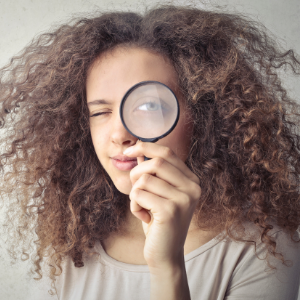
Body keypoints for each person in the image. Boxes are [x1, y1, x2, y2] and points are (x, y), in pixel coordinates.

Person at [0, 3, 300, 300]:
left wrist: (168, 267)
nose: (119, 134)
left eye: (148, 106)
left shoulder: (265, 248)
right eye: (100, 112)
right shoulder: (69, 244)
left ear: (205, 115)